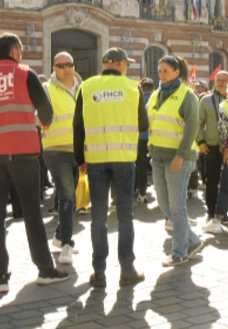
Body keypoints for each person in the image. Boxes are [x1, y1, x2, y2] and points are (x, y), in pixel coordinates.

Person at [0, 33, 68, 292]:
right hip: (23, 151)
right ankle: (45, 269)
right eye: (21, 49)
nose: (22, 53)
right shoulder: (25, 73)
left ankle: (0, 275)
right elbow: (45, 108)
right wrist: (43, 123)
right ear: (14, 51)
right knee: (32, 211)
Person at [73, 47, 149, 289]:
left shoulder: (87, 86)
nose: (127, 66)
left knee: (98, 217)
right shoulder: (132, 87)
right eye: (126, 62)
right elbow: (143, 123)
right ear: (117, 64)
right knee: (125, 215)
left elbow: (78, 126)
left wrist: (79, 159)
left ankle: (99, 272)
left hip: (95, 159)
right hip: (125, 159)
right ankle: (127, 269)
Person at [147, 55, 203, 267]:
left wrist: (180, 155)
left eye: (165, 71)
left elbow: (192, 127)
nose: (161, 75)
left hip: (178, 158)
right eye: (159, 71)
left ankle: (179, 253)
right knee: (163, 203)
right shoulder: (155, 95)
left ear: (176, 72)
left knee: (177, 207)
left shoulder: (186, 96)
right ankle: (193, 240)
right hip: (157, 156)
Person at [42, 52, 82, 264]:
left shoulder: (84, 89)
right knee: (67, 196)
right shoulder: (46, 90)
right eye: (62, 65)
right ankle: (67, 244)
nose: (67, 68)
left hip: (79, 150)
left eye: (70, 64)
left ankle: (59, 236)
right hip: (56, 149)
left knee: (71, 195)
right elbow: (37, 115)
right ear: (54, 68)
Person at [198, 70, 228, 234]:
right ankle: (211, 213)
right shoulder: (205, 100)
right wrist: (201, 141)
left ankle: (223, 212)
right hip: (211, 146)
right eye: (219, 80)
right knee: (211, 181)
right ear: (215, 81)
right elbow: (198, 122)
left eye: (225, 80)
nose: (222, 83)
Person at [135, 78, 155, 203]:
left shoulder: (138, 100)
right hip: (155, 138)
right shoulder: (157, 99)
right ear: (152, 88)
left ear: (141, 88)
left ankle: (142, 193)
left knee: (141, 167)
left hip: (140, 137)